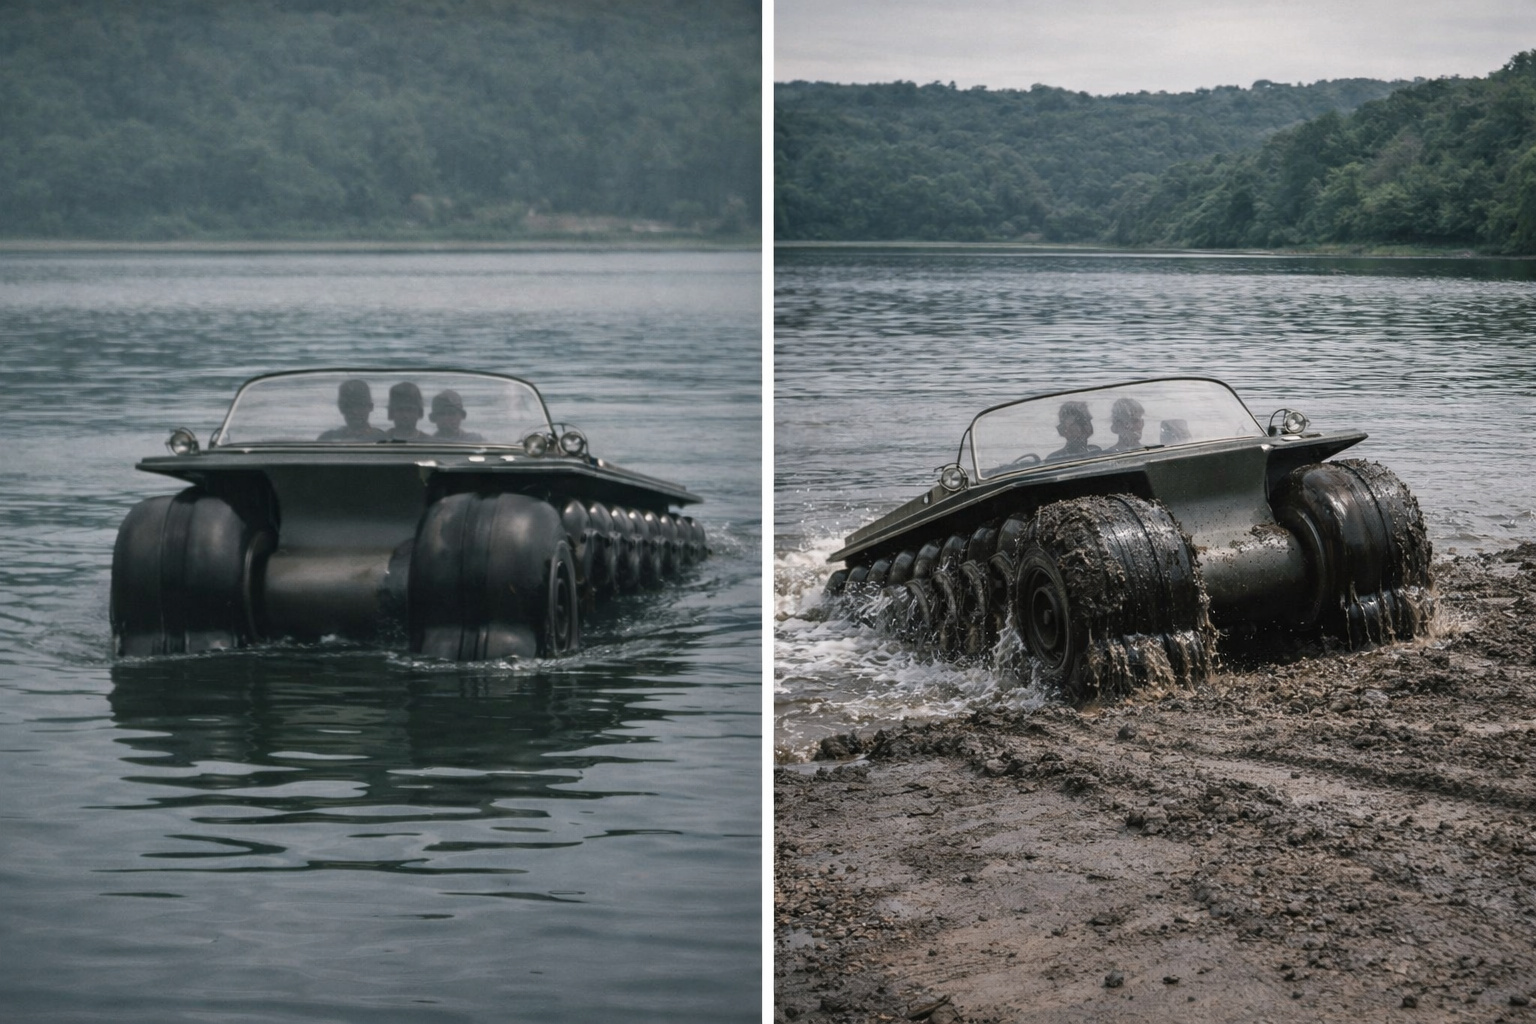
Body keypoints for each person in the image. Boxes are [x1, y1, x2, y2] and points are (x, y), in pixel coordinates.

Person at [317, 379, 386, 442]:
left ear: (370, 407)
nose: (355, 411)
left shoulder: (383, 440)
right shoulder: (327, 439)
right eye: (349, 406)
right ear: (341, 408)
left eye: (360, 406)